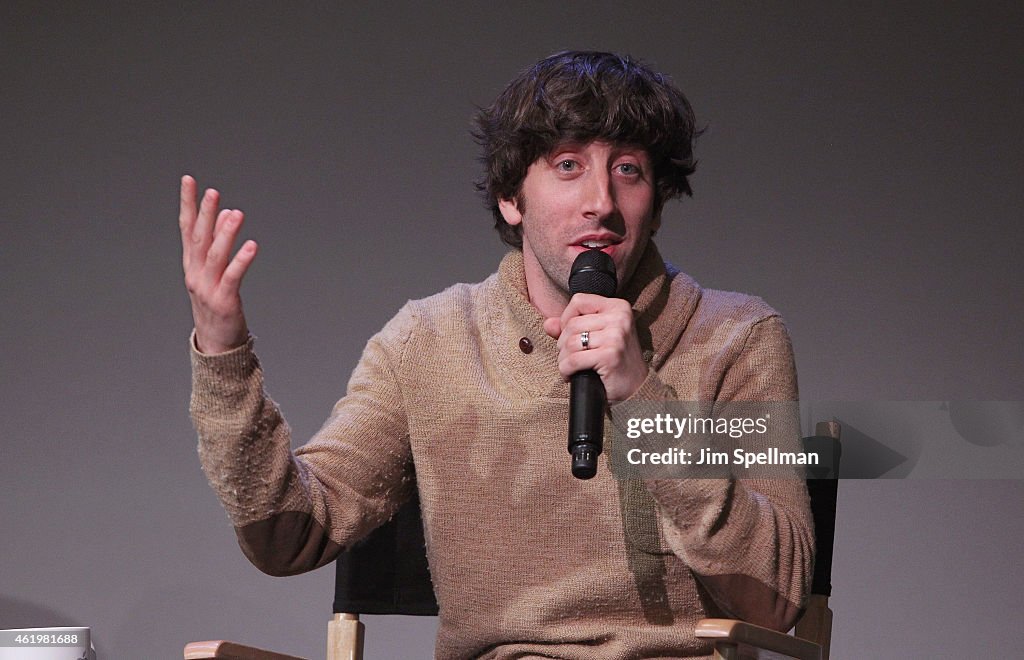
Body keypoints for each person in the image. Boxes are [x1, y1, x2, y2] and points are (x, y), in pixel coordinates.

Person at [182, 51, 813, 659]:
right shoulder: (429, 341)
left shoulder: (735, 335)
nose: (601, 201)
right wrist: (223, 352)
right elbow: (288, 534)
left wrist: (643, 399)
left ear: (656, 201)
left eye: (628, 170)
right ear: (513, 198)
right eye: (568, 165)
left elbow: (776, 597)